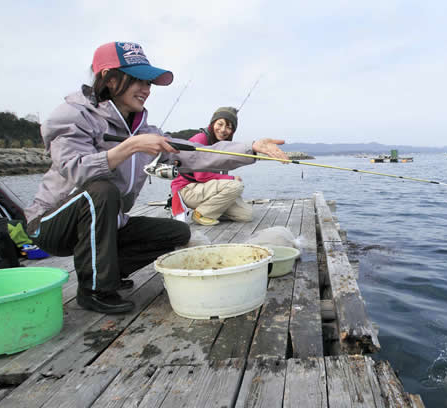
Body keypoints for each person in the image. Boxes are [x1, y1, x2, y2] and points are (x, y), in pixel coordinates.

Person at [24, 41, 287, 314]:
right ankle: (94, 290)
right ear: (110, 78)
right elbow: (76, 169)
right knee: (101, 191)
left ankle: (108, 273)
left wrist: (252, 148)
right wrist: (131, 146)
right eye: (139, 80)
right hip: (49, 224)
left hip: (107, 225)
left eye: (150, 82)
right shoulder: (72, 115)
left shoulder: (144, 129)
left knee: (177, 232)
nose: (147, 89)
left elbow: (196, 155)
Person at [170, 107, 252, 225]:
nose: (223, 130)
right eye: (220, 124)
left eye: (229, 127)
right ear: (213, 123)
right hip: (186, 189)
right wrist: (232, 179)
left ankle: (210, 210)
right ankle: (201, 214)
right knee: (235, 185)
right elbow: (201, 176)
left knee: (246, 215)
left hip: (204, 189)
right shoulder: (200, 139)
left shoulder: (221, 144)